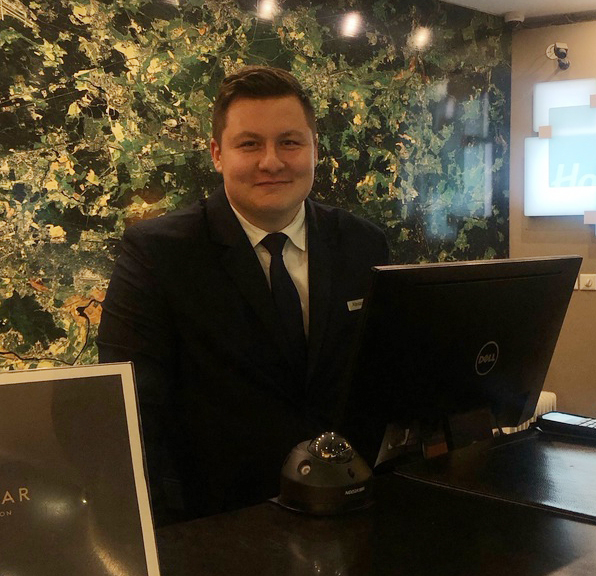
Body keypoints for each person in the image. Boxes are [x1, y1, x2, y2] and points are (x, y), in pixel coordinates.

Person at [97, 66, 389, 526]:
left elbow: (384, 379)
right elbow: (131, 411)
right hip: (219, 524)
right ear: (217, 154)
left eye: (290, 142)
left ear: (315, 149)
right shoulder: (157, 254)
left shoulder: (364, 244)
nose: (271, 162)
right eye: (249, 144)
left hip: (349, 511)